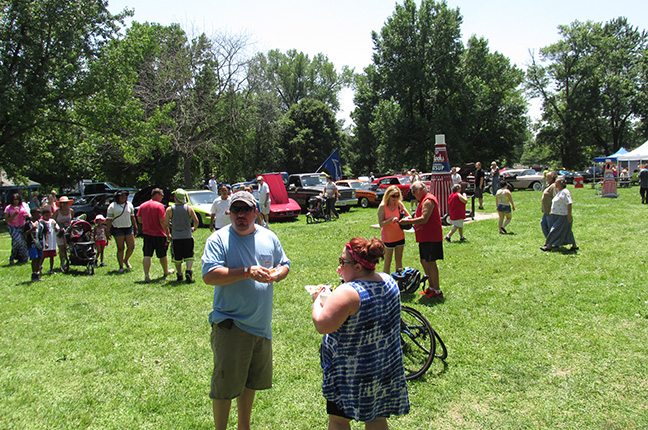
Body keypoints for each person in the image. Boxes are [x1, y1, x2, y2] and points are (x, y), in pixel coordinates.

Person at [201, 191, 291, 430]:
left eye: (246, 210)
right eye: (236, 210)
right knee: (225, 386)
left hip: (261, 326)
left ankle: (244, 426)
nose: (241, 215)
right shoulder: (218, 239)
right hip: (232, 325)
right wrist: (246, 271)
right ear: (230, 212)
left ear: (255, 212)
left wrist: (279, 274)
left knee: (250, 382)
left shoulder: (269, 237)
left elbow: (284, 264)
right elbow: (209, 276)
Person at [311, 237, 410, 429]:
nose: (339, 266)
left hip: (349, 373)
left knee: (339, 420)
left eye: (343, 262)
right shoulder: (388, 281)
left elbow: (322, 325)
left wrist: (317, 300)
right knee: (377, 419)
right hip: (383, 366)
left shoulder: (347, 292)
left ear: (357, 267)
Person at [399, 181, 444, 298]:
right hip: (424, 237)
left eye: (414, 191)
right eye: (412, 192)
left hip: (431, 236)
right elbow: (418, 215)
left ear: (422, 189)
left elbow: (424, 219)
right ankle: (431, 287)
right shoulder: (422, 201)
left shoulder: (428, 200)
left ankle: (437, 291)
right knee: (424, 261)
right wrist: (411, 217)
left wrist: (408, 221)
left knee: (431, 262)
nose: (413, 194)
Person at [137, 188, 173, 282]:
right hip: (159, 234)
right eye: (162, 195)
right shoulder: (160, 206)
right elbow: (162, 221)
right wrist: (168, 233)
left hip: (147, 234)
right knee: (162, 254)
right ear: (157, 195)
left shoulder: (143, 205)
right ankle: (166, 271)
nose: (162, 197)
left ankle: (147, 275)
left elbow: (139, 220)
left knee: (147, 255)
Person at [166, 189, 199, 283]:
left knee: (177, 257)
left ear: (175, 197)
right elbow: (196, 221)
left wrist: (171, 227)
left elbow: (165, 222)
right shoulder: (188, 208)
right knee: (189, 255)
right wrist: (194, 228)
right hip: (188, 236)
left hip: (176, 237)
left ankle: (179, 274)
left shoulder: (170, 209)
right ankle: (188, 270)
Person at [377, 185, 408, 274]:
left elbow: (409, 216)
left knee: (399, 260)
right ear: (388, 195)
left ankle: (400, 280)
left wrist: (404, 219)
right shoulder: (383, 206)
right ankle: (387, 282)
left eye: (397, 196)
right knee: (388, 261)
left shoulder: (399, 204)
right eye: (393, 196)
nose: (395, 198)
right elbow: (381, 224)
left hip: (400, 236)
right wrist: (390, 220)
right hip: (388, 238)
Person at [541, 177, 578, 252]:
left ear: (561, 184)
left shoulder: (565, 192)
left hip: (563, 216)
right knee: (567, 231)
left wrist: (569, 215)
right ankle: (574, 245)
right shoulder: (559, 192)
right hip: (557, 215)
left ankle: (549, 246)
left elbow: (569, 203)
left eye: (557, 183)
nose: (555, 185)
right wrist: (552, 211)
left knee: (554, 230)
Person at [105, 190, 138, 274]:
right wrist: (107, 231)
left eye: (125, 195)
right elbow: (109, 220)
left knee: (131, 246)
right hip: (118, 228)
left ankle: (125, 260)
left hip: (128, 228)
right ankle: (121, 266)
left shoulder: (129, 205)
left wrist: (135, 227)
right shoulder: (112, 206)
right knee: (121, 248)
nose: (124, 197)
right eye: (121, 196)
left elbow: (132, 217)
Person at [4, 193, 30, 264]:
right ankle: (12, 257)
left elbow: (27, 214)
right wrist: (13, 215)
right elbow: (6, 220)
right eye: (14, 199)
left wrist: (26, 216)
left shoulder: (22, 206)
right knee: (17, 240)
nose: (16, 201)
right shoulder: (8, 208)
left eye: (17, 199)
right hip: (12, 226)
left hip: (22, 225)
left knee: (22, 243)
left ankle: (23, 258)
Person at [53, 196, 74, 272]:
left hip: (68, 231)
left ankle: (68, 261)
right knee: (62, 248)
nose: (64, 205)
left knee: (68, 247)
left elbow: (72, 220)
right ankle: (63, 263)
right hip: (59, 231)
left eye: (66, 203)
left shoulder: (71, 211)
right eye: (63, 203)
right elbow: (52, 221)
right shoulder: (57, 212)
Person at [38, 205, 60, 275]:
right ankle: (39, 267)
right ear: (43, 215)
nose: (47, 216)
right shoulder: (41, 222)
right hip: (45, 241)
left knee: (52, 256)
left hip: (52, 241)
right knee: (43, 256)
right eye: (45, 215)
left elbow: (57, 228)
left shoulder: (52, 221)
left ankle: (51, 269)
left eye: (48, 215)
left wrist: (56, 228)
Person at [26, 207, 43, 282]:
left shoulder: (40, 223)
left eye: (40, 213)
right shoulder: (28, 224)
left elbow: (44, 233)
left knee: (39, 258)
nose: (39, 214)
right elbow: (24, 234)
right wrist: (31, 230)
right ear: (33, 214)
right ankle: (33, 274)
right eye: (37, 213)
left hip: (40, 243)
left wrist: (45, 242)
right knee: (35, 258)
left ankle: (37, 274)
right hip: (32, 243)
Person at [541, 171, 558, 238]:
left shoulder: (554, 186)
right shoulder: (549, 185)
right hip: (546, 211)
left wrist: (552, 209)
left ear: (552, 178)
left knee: (550, 227)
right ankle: (549, 241)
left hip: (550, 211)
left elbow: (556, 198)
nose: (546, 178)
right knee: (543, 224)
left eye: (547, 177)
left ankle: (553, 242)